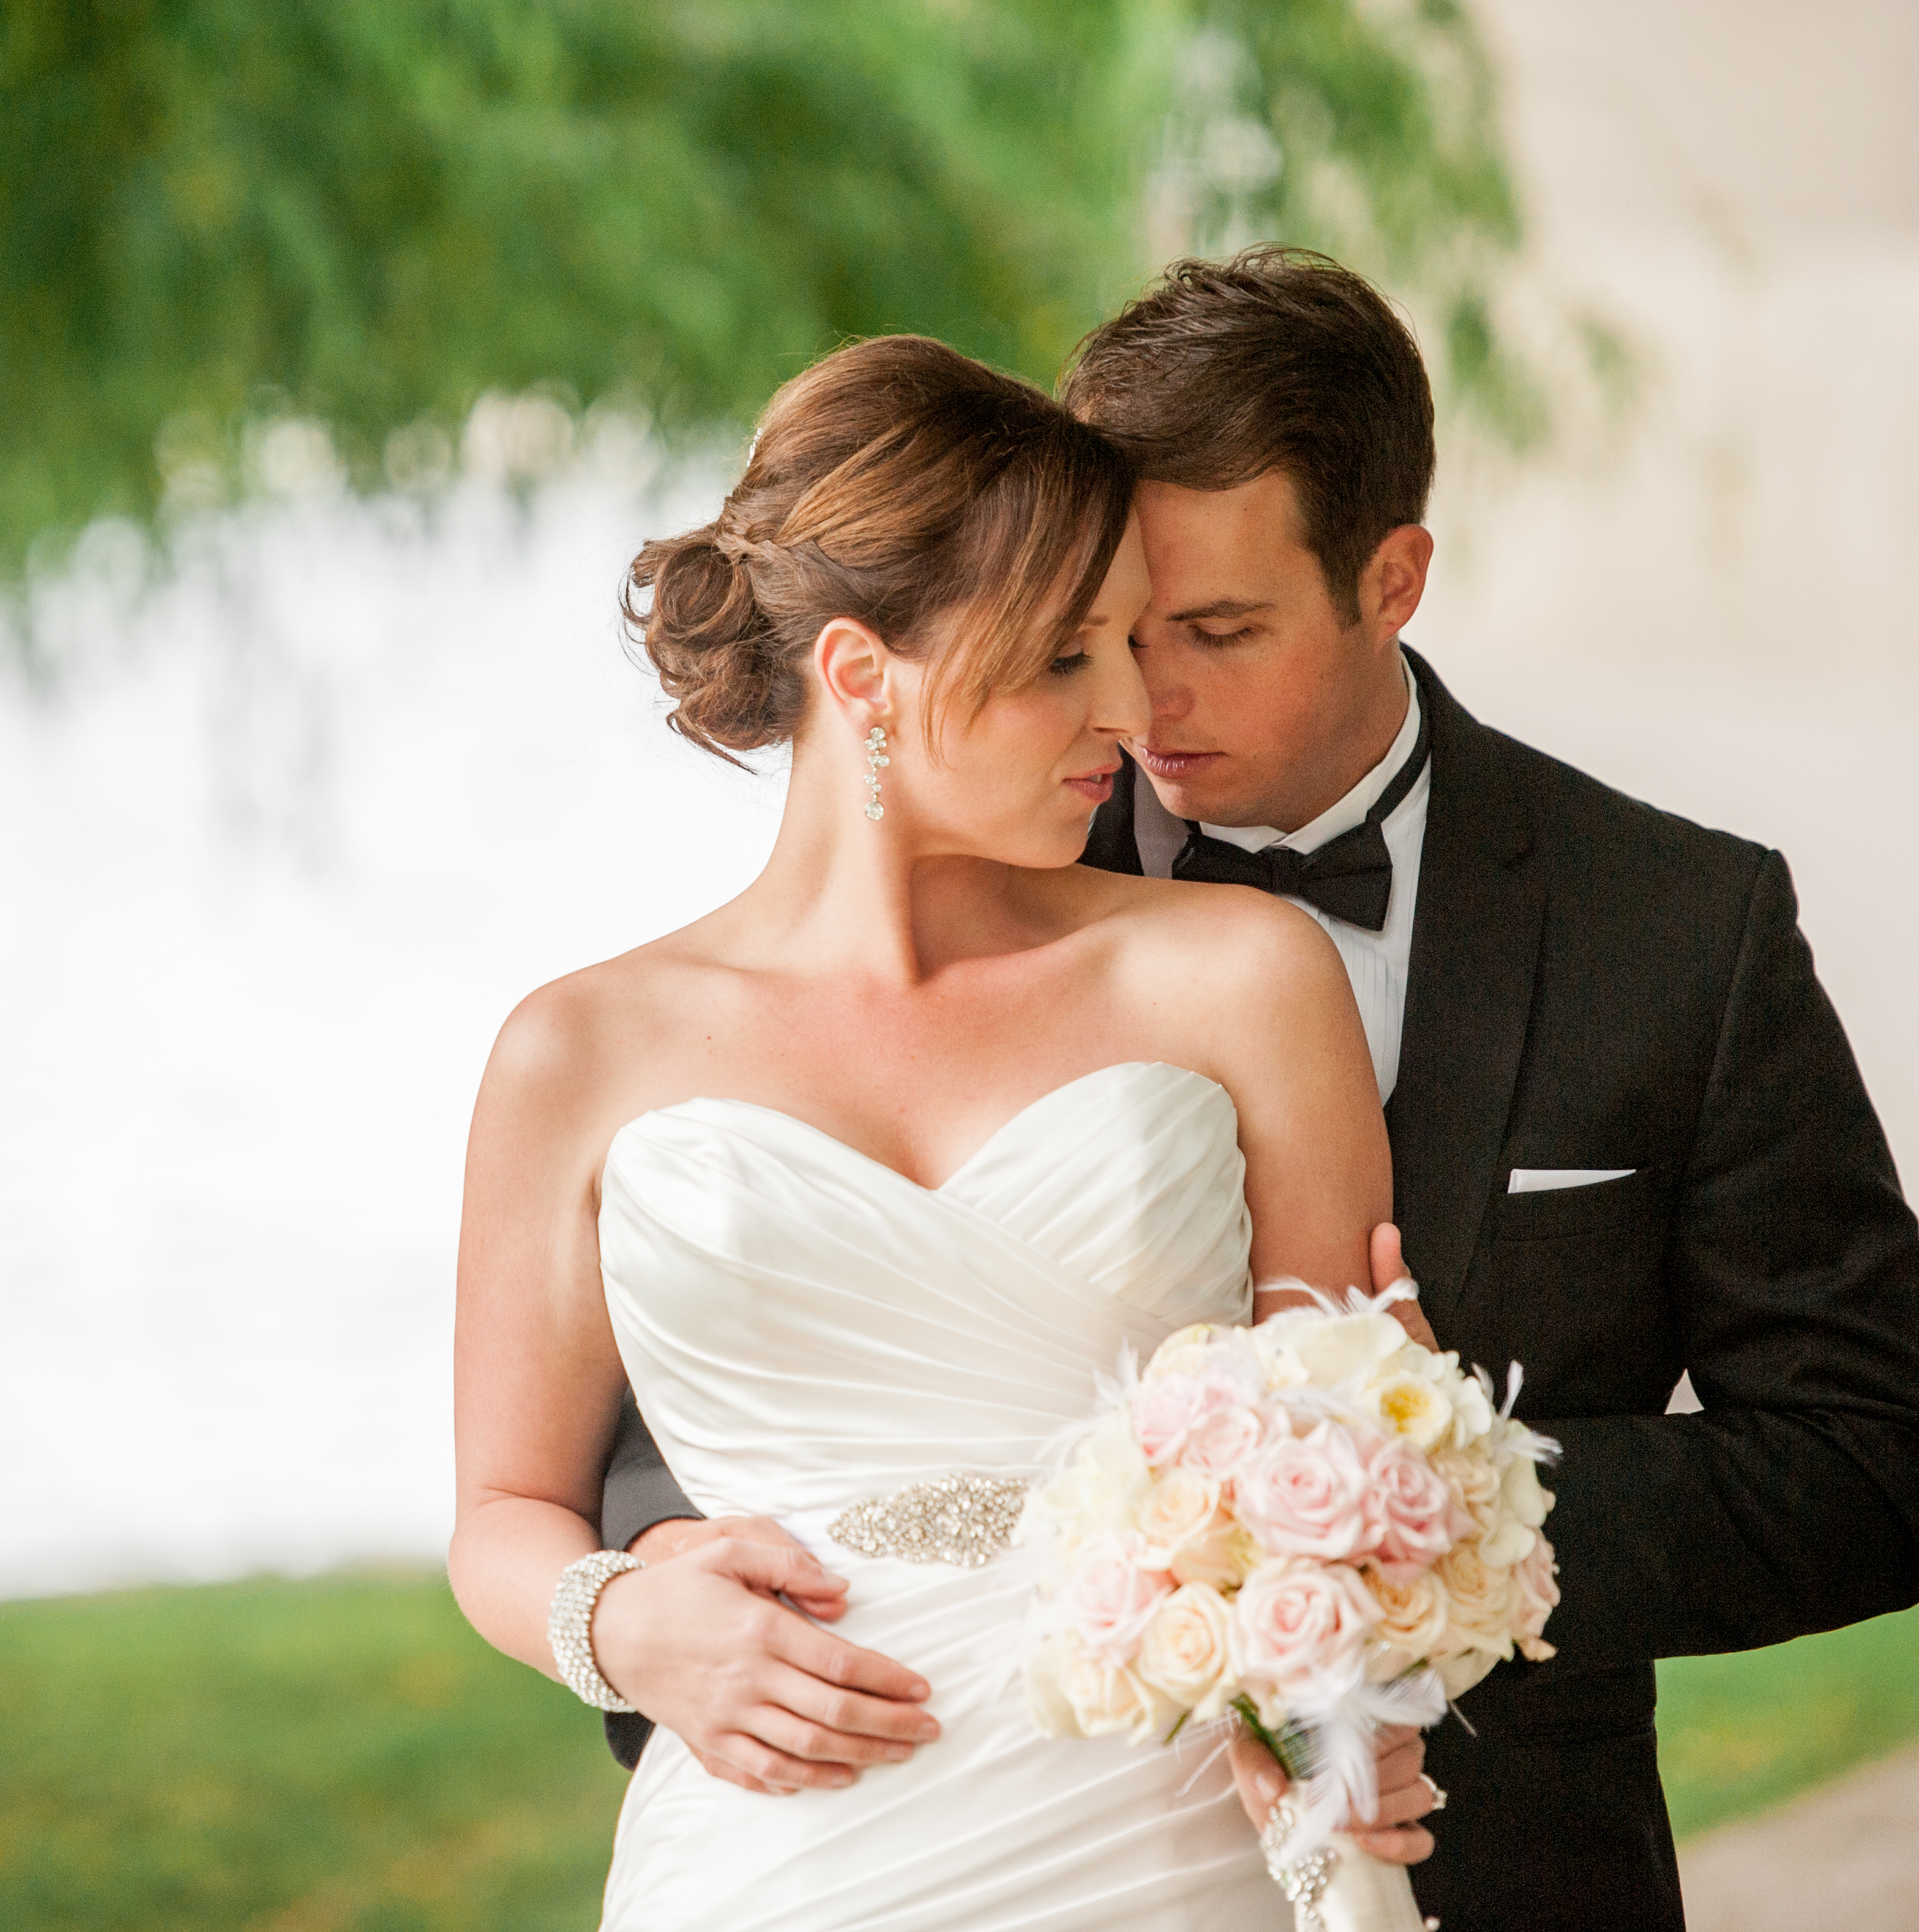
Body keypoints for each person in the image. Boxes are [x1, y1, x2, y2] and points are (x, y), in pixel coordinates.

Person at [592, 250, 1919, 1931]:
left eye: (1213, 632)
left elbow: (1869, 1466)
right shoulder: (948, 843)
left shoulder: (1679, 930)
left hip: (1511, 1874)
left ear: (1389, 580)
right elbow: (694, 1376)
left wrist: (1373, 1524)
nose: (1137, 702)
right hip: (873, 1841)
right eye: (1092, 634)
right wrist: (652, 1601)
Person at [450, 332, 1440, 1931]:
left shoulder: (1244, 977)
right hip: (777, 1861)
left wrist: (1337, 1709)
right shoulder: (579, 1051)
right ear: (860, 679)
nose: (1128, 706)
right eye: (1064, 657)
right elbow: (501, 1513)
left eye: (1128, 643)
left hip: (1172, 1842)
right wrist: (614, 1622)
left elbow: (1323, 1443)